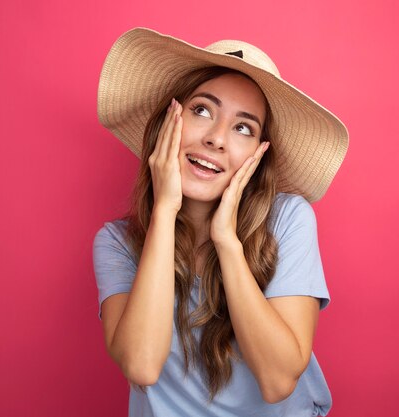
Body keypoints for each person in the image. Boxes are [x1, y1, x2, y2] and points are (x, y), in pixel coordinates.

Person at [93, 27, 348, 416]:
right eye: (201, 110)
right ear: (167, 125)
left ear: (258, 157)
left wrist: (227, 241)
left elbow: (278, 381)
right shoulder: (117, 242)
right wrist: (164, 212)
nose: (216, 139)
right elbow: (141, 365)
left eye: (243, 128)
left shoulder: (288, 220)